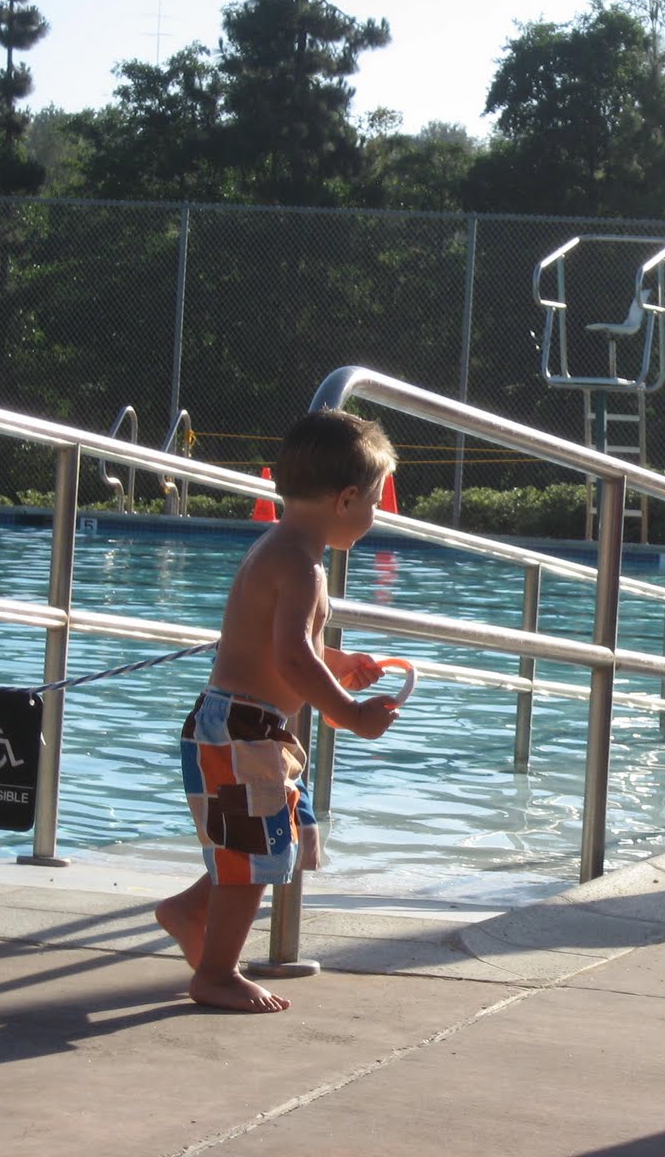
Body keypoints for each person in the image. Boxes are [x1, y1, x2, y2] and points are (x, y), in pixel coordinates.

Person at [155, 409, 403, 1012]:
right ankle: (216, 974)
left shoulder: (283, 549)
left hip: (243, 728)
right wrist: (351, 712)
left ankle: (189, 910)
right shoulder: (301, 564)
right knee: (253, 859)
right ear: (345, 499)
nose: (375, 516)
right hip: (245, 730)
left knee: (266, 845)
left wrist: (337, 662)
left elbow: (290, 646)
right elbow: (292, 659)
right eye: (374, 503)